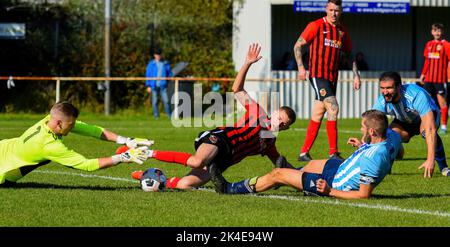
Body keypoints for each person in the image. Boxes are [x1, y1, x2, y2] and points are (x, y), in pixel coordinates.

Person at [130, 43, 297, 190]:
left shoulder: (269, 143)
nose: (280, 123)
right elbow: (237, 89)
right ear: (274, 112)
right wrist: (247, 63)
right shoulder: (258, 112)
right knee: (196, 162)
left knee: (184, 184)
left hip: (222, 162)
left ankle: (145, 177)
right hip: (220, 140)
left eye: (284, 123)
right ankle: (148, 152)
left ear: (287, 128)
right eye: (280, 117)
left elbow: (281, 165)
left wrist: (299, 177)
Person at [209, 110, 399, 199]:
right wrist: (360, 146)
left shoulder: (372, 158)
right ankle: (292, 173)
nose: (360, 129)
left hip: (332, 183)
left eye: (363, 127)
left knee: (277, 174)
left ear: (373, 132)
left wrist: (330, 191)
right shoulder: (385, 142)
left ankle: (229, 188)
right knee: (311, 164)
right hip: (338, 168)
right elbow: (385, 153)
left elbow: (364, 195)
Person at [0, 101, 154, 186]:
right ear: (59, 123)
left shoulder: (49, 120)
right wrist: (122, 157)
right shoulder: (49, 145)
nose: (74, 127)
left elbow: (92, 130)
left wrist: (126, 140)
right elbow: (86, 164)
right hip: (3, 173)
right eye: (71, 124)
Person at [294, 0, 361, 162]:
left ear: (341, 11)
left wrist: (356, 75)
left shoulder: (342, 31)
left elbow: (350, 54)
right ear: (326, 9)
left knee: (319, 113)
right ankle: (333, 153)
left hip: (332, 78)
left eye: (336, 10)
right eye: (330, 10)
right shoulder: (316, 25)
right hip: (317, 76)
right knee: (334, 107)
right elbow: (297, 45)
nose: (333, 13)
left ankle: (304, 153)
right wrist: (301, 68)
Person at [373, 71, 449, 178]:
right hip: (405, 120)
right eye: (382, 88)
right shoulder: (382, 101)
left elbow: (430, 129)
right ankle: (390, 159)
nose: (385, 92)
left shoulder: (415, 95)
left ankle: (444, 167)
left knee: (425, 132)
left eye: (389, 88)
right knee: (388, 135)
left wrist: (430, 160)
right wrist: (362, 145)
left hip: (427, 116)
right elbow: (373, 126)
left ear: (399, 87)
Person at [419, 23, 450, 134]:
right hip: (429, 80)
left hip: (440, 80)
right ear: (432, 32)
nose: (437, 33)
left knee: (442, 103)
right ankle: (426, 124)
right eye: (435, 30)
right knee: (426, 103)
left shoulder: (446, 45)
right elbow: (427, 61)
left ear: (442, 32)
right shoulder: (429, 44)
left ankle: (444, 127)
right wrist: (423, 74)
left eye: (439, 31)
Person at [145, 48, 173, 119]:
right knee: (154, 102)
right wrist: (148, 85)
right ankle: (156, 116)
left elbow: (170, 74)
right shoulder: (151, 64)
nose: (158, 56)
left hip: (163, 85)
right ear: (154, 55)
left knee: (166, 101)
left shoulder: (165, 63)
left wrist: (169, 80)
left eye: (159, 55)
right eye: (157, 55)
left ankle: (169, 116)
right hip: (154, 85)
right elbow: (148, 75)